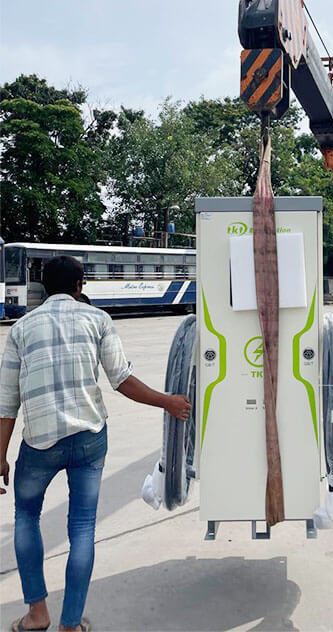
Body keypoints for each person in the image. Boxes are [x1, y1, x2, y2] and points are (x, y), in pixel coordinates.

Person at [0, 255, 191, 632]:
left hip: (39, 443)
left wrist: (0, 455)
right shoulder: (98, 320)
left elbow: (7, 400)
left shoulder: (20, 330)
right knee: (82, 527)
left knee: (26, 518)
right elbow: (122, 380)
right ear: (80, 285)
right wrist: (168, 401)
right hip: (89, 439)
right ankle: (71, 625)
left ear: (41, 287)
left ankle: (37, 615)